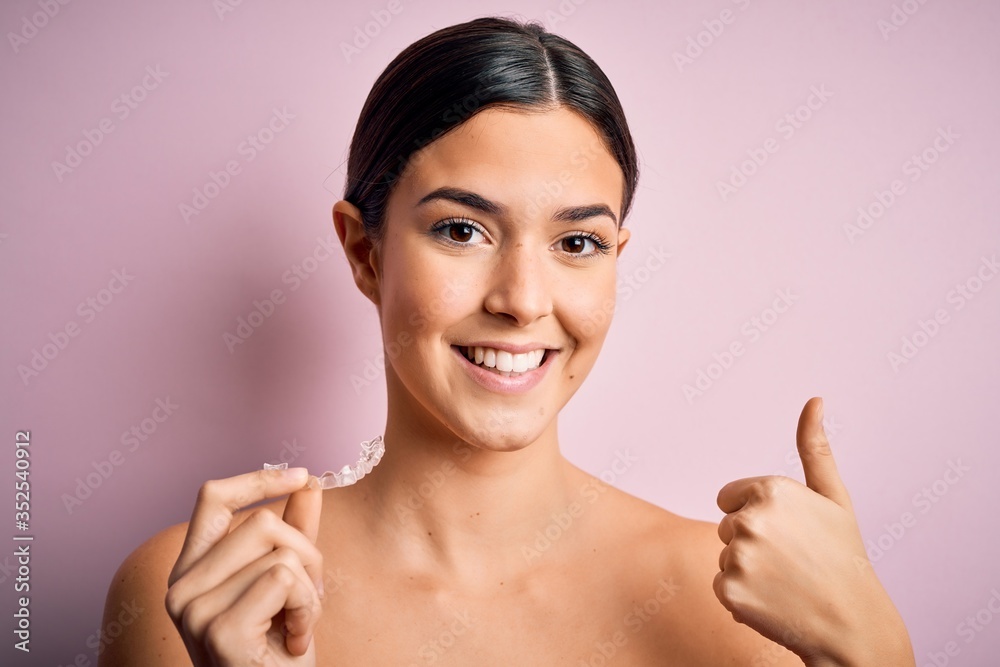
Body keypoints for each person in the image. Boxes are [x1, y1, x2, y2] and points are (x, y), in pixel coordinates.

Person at [99, 16, 915, 666]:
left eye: (577, 242)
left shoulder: (749, 601)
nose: (524, 301)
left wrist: (873, 649)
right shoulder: (201, 594)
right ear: (364, 251)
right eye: (462, 229)